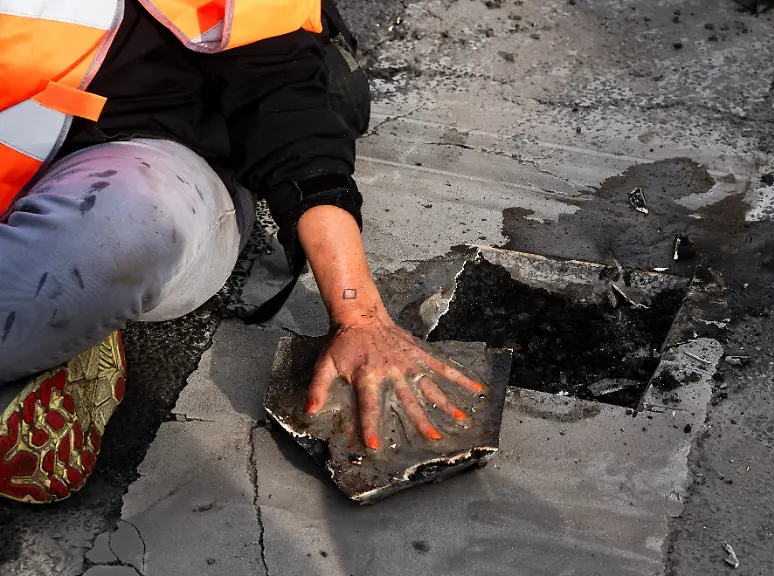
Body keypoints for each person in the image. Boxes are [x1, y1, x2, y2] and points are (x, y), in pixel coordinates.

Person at [0, 0, 481, 504]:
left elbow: (285, 106)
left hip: (135, 179)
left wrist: (359, 316)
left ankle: (65, 320)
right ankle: (53, 347)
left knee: (120, 232)